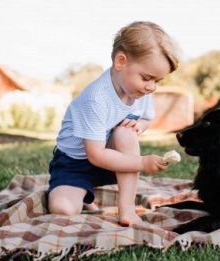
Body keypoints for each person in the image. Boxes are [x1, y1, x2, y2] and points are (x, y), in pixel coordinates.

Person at [47, 21, 179, 226]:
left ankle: (126, 209)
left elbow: (145, 119)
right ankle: (81, 193)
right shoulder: (96, 99)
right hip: (75, 164)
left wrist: (138, 127)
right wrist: (143, 163)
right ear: (120, 61)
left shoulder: (140, 90)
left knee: (125, 134)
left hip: (113, 159)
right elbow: (96, 155)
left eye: (158, 81)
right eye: (147, 78)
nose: (152, 87)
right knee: (63, 209)